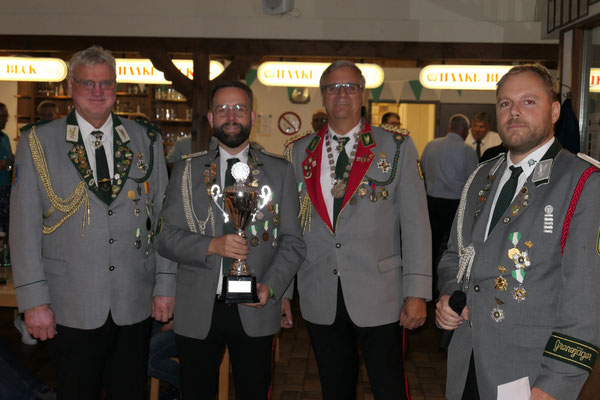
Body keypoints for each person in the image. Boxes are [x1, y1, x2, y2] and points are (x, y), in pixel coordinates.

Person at [10, 46, 175, 400]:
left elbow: (162, 219)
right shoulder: (39, 141)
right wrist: (33, 301)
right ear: (71, 86)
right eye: (88, 83)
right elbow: (22, 229)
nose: (98, 92)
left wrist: (166, 283)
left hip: (134, 299)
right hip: (69, 302)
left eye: (106, 84)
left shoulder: (145, 139)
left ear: (116, 88)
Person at [436, 64, 600, 400]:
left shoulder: (582, 182)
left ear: (554, 111)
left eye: (528, 102)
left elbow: (586, 299)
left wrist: (556, 383)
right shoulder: (482, 177)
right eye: (505, 103)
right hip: (467, 361)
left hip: (531, 373)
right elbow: (455, 255)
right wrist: (449, 295)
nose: (514, 113)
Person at [285, 60, 432, 399]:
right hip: (320, 289)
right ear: (323, 95)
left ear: (362, 95)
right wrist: (284, 290)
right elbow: (291, 228)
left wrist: (417, 291)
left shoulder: (395, 147)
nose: (342, 94)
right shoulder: (298, 151)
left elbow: (416, 225)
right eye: (334, 87)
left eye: (350, 87)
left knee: (389, 387)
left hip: (381, 293)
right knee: (334, 388)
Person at [157, 80, 305, 400]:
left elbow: (293, 241)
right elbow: (165, 238)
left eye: (239, 108)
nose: (231, 116)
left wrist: (273, 287)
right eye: (222, 109)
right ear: (210, 119)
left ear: (252, 116)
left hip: (255, 305)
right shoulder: (186, 171)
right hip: (199, 307)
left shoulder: (279, 171)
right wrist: (210, 246)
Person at [421, 114, 478, 297]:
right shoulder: (467, 150)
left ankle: (426, 288)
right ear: (466, 131)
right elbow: (473, 181)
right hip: (455, 205)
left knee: (430, 247)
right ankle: (448, 289)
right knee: (453, 250)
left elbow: (421, 170)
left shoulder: (431, 145)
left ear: (449, 127)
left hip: (430, 202)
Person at [0, 103, 13, 234]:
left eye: (6, 116)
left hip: (6, 189)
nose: (5, 119)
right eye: (2, 116)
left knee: (8, 230)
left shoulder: (5, 137)